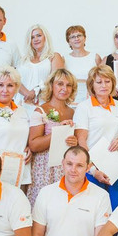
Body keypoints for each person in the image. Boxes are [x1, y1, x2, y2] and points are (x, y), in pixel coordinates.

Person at [75, 65, 118, 207]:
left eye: (107, 81)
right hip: (92, 167)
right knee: (94, 209)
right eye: (99, 82)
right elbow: (81, 141)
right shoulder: (84, 107)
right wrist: (92, 170)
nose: (104, 85)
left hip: (115, 166)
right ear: (92, 85)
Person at [27, 69, 79, 205]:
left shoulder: (74, 112)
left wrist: (74, 142)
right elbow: (34, 145)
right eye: (60, 84)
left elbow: (75, 143)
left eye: (68, 85)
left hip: (66, 167)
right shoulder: (41, 110)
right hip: (45, 168)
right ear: (51, 86)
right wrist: (58, 132)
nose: (64, 88)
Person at [17, 24, 65, 107]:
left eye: (39, 35)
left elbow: (56, 80)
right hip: (22, 102)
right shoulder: (23, 60)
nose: (36, 39)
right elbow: (15, 80)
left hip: (44, 103)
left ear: (45, 37)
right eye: (32, 37)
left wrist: (36, 91)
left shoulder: (54, 56)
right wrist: (27, 94)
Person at [62, 25, 102, 104]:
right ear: (68, 41)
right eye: (72, 37)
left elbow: (102, 78)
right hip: (71, 100)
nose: (76, 39)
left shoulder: (95, 57)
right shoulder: (64, 59)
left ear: (85, 38)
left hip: (92, 99)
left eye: (79, 35)